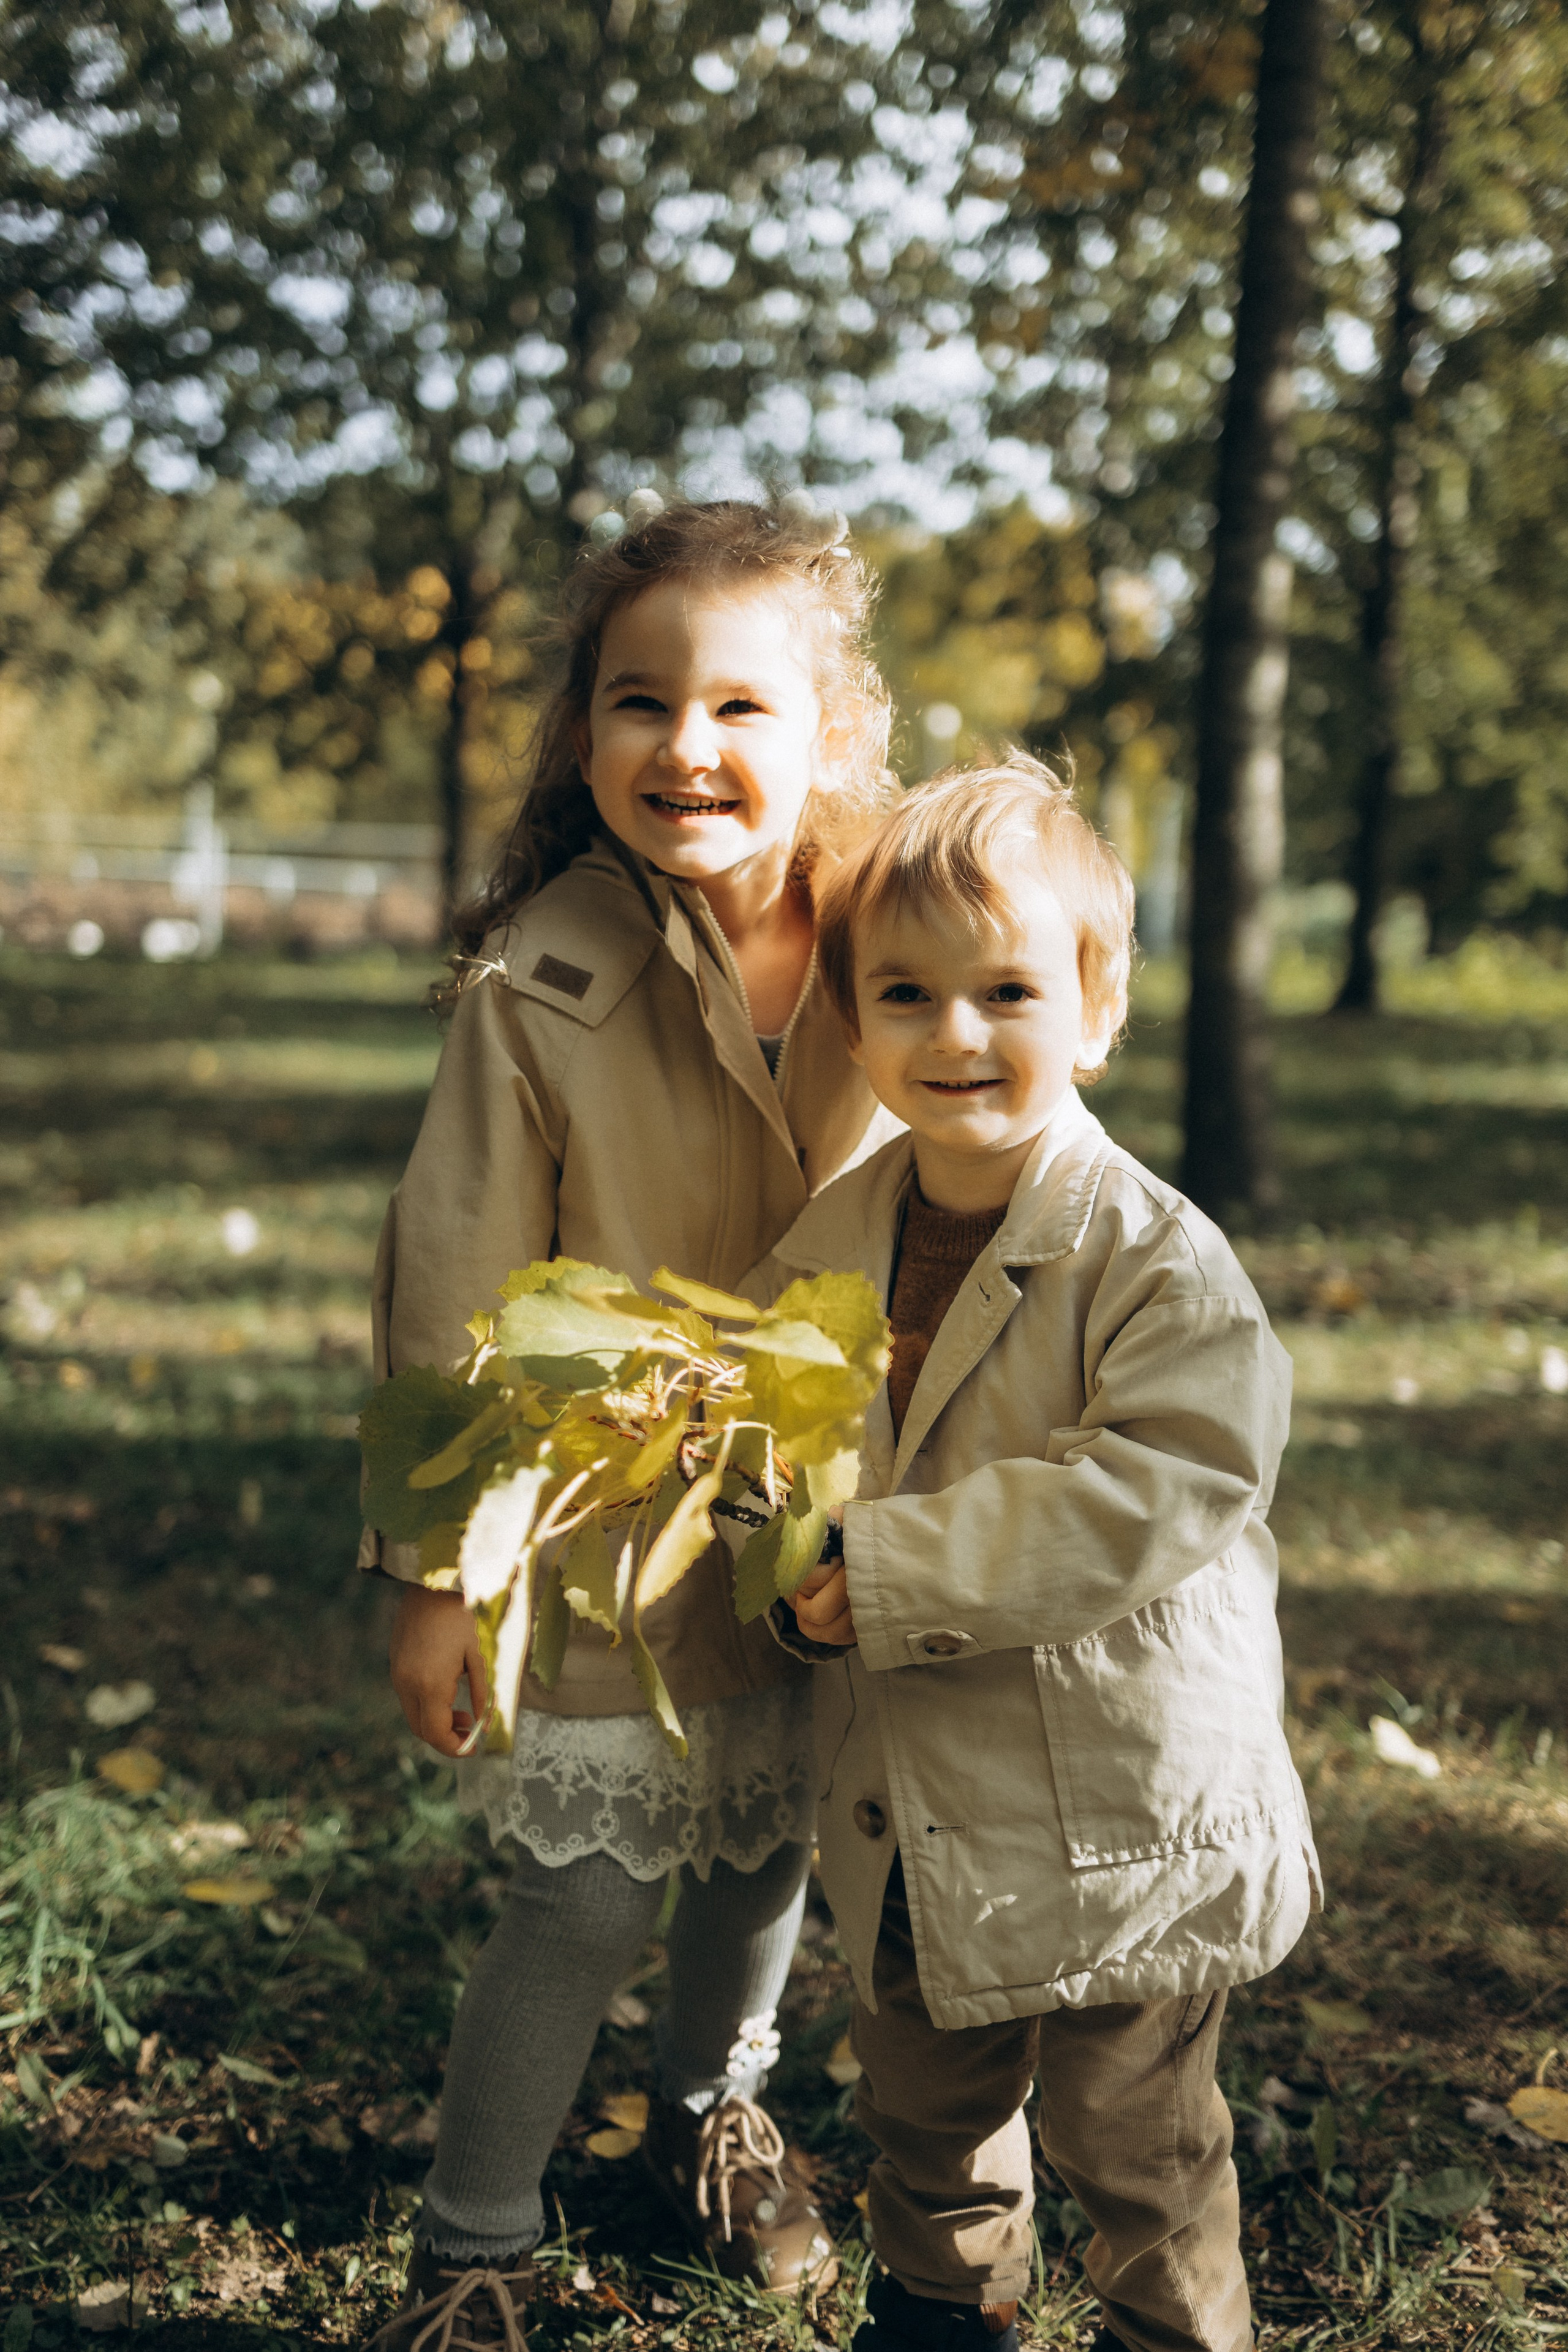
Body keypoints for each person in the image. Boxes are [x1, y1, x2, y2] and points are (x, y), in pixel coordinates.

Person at [363, 496, 903, 2350]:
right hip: (602, 1517)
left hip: (827, 1515)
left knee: (765, 1846)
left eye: (743, 707)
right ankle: (477, 2239)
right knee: (589, 1894)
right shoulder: (542, 979)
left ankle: (704, 2114)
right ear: (583, 733)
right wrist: (438, 1574)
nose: (688, 746)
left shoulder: (896, 928)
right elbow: (451, 1281)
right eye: (637, 701)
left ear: (834, 729)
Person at [750, 756, 1320, 2352]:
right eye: (907, 996)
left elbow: (1171, 1475)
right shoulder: (835, 1242)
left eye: (1005, 989)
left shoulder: (1152, 1256)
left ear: (1098, 1003)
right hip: (922, 1798)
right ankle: (943, 2315)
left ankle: (1171, 2334)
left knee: (1131, 2139)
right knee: (924, 2113)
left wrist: (896, 1564)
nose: (955, 1036)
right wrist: (789, 1560)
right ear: (853, 1025)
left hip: (1122, 1806)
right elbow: (785, 1447)